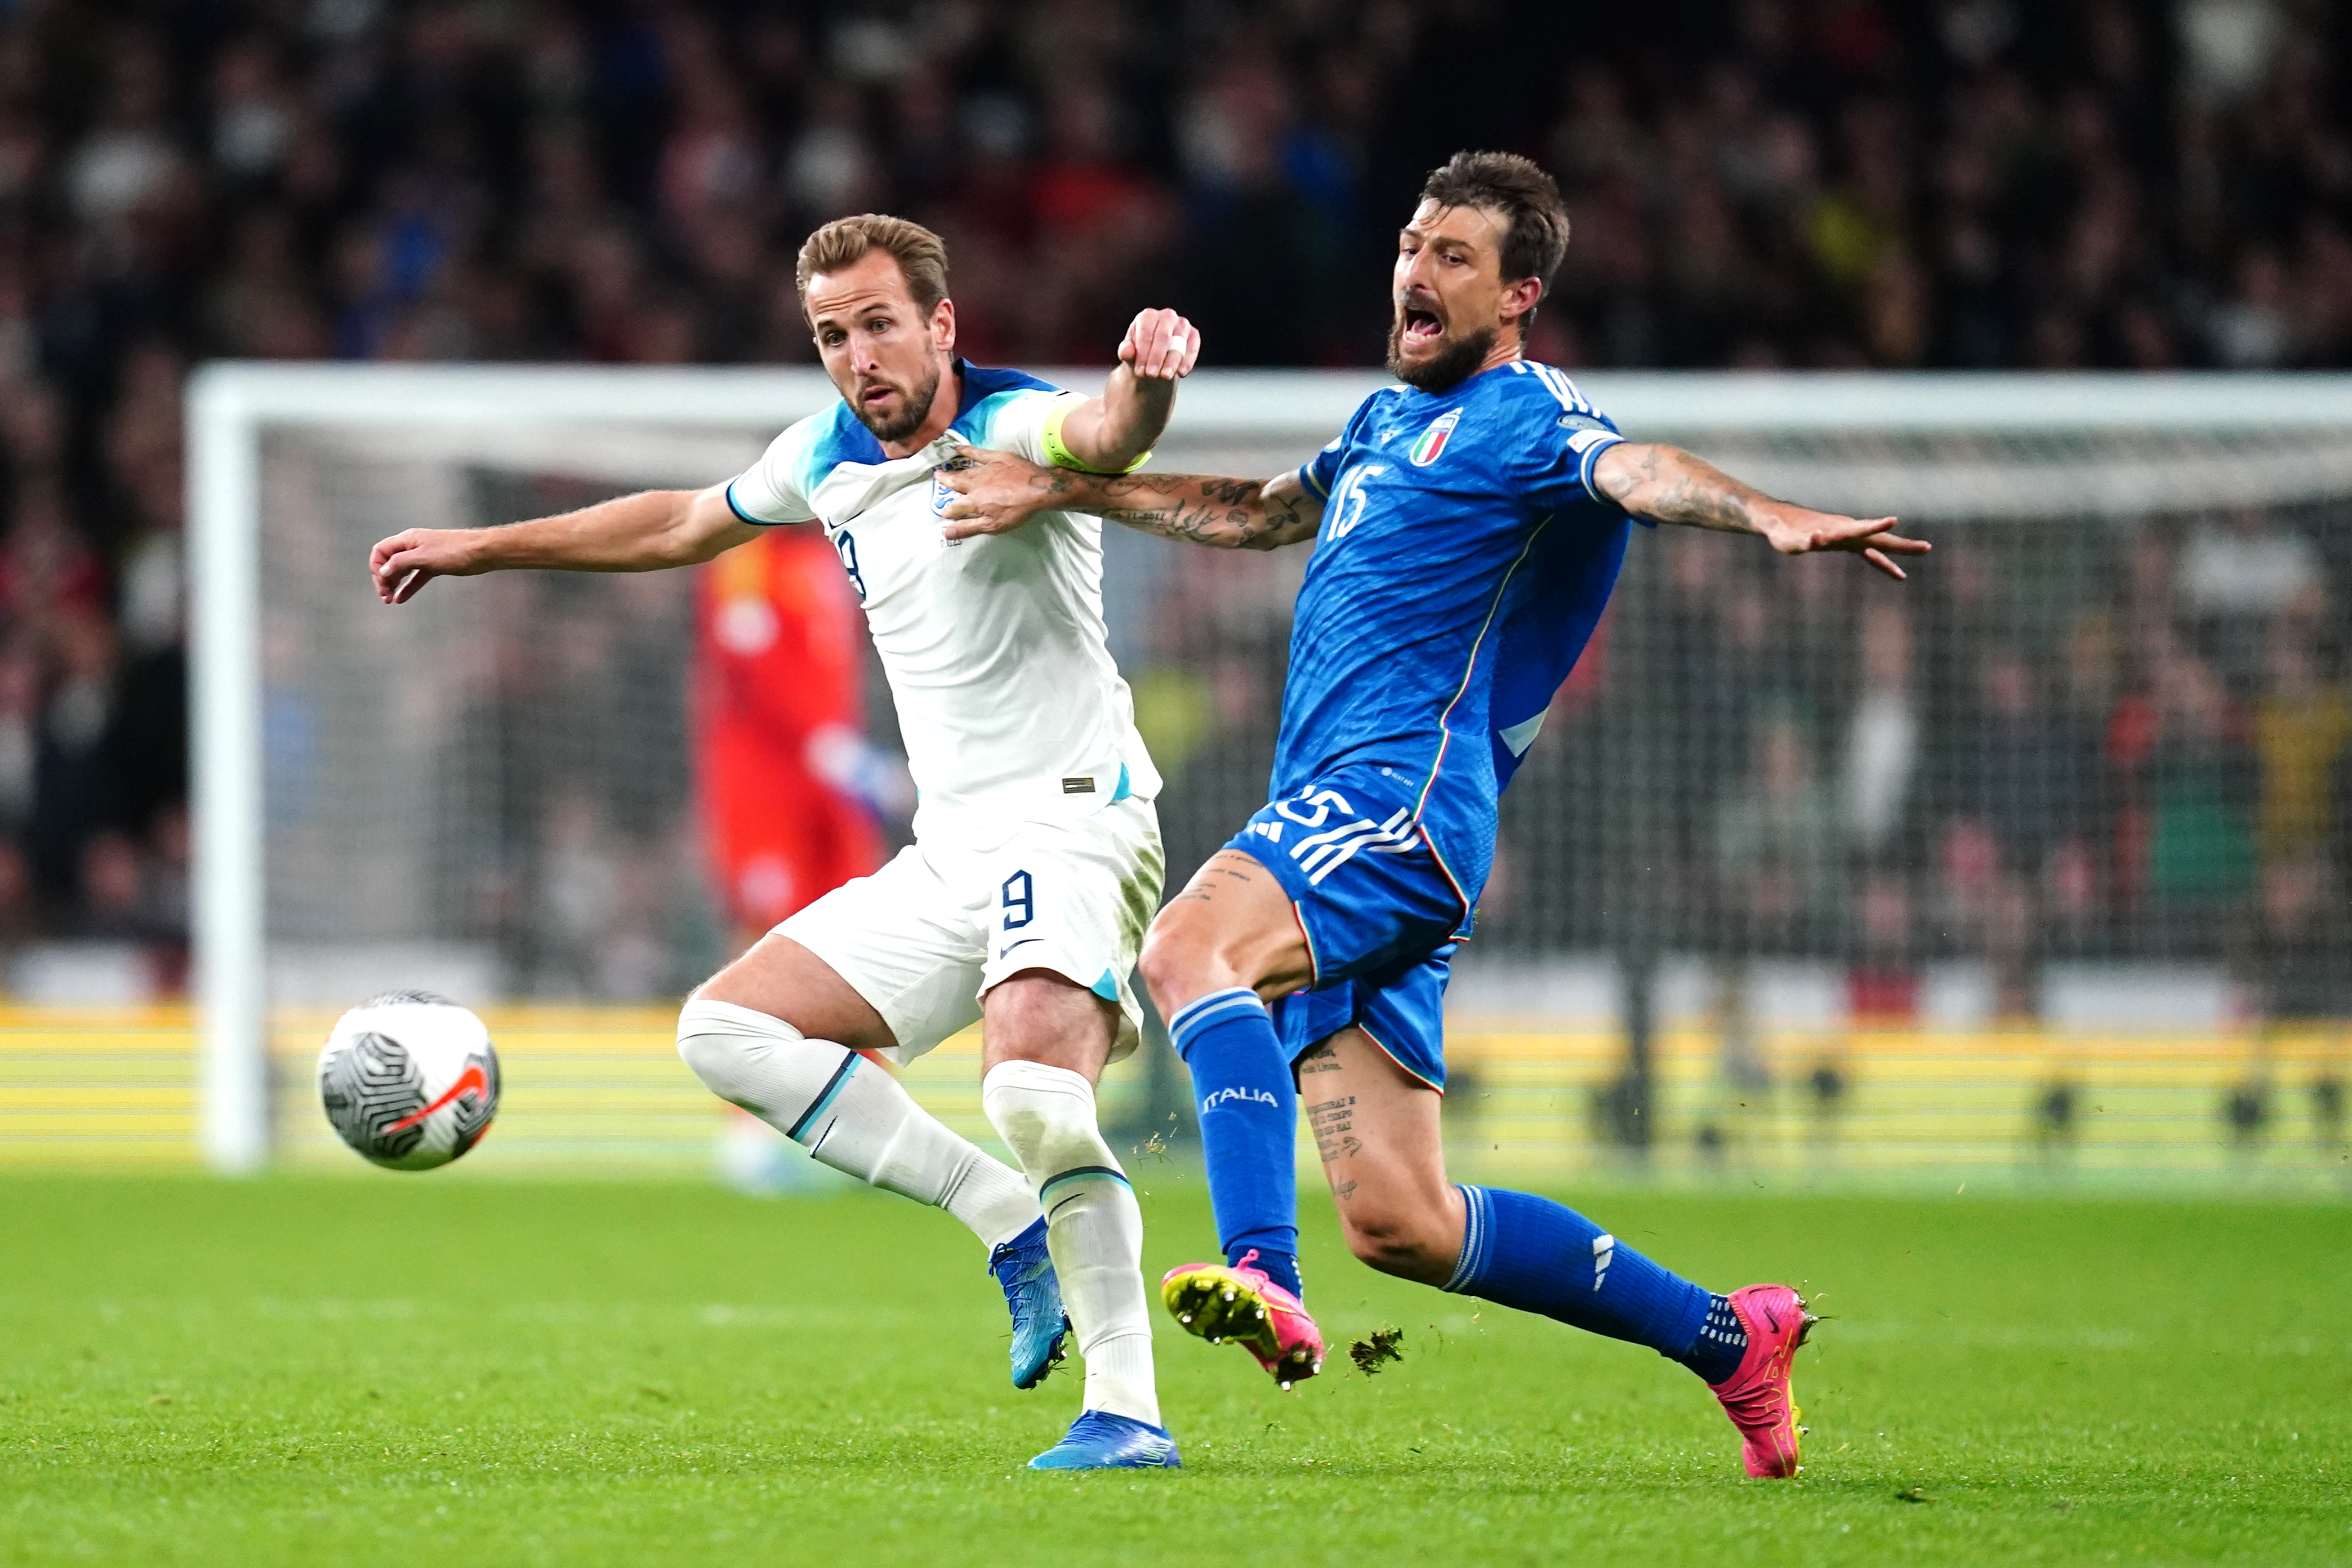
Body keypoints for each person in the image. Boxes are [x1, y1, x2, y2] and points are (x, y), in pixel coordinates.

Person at [937, 152, 1928, 1478]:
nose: (1416, 268)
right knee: (1405, 1221)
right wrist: (1065, 488)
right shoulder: (1383, 423)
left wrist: (1765, 516)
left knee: (1188, 953)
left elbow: (1640, 472)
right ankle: (1729, 1340)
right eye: (1412, 243)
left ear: (1520, 295)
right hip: (1345, 815)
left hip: (1397, 799)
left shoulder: (1531, 418)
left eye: (1454, 256)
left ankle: (1258, 1275)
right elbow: (1257, 513)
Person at [367, 214, 1198, 1472]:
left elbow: (1104, 437)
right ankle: (1000, 1218)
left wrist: (1142, 385)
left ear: (941, 325)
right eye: (830, 334)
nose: (858, 356)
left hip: (1078, 817)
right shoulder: (824, 456)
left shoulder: (1013, 424)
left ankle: (1127, 1410)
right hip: (956, 847)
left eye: (877, 323)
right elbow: (676, 526)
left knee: (1030, 1089)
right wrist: (484, 548)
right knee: (726, 1030)